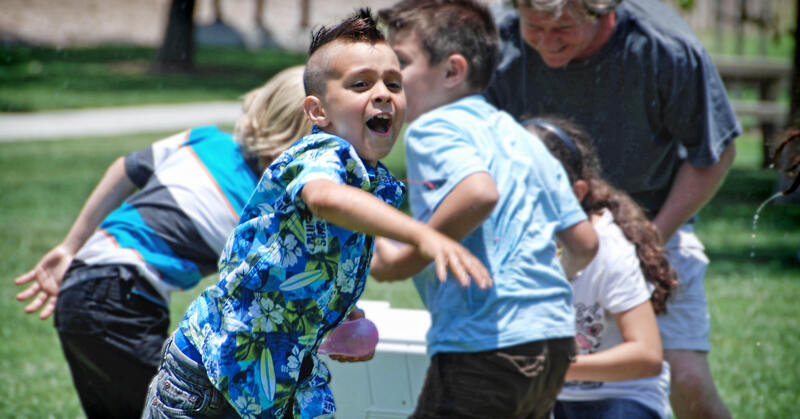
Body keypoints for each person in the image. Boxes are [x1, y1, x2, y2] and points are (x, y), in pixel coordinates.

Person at [141, 9, 492, 419]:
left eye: (393, 83)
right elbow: (325, 198)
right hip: (208, 379)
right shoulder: (320, 155)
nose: (382, 94)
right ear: (317, 111)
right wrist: (423, 235)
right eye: (361, 84)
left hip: (271, 380)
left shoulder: (368, 179)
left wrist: (335, 314)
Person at [485, 1, 740, 417]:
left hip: (656, 229)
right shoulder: (495, 44)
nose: (546, 41)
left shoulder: (664, 49)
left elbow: (714, 154)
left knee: (689, 381)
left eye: (562, 27)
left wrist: (649, 240)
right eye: (534, 26)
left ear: (600, 10)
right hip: (537, 238)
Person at [12, 65, 312, 419]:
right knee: (187, 402)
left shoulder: (203, 139)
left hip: (82, 289)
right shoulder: (261, 209)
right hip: (122, 298)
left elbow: (125, 169)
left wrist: (70, 247)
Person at [371, 2, 599, 418]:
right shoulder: (521, 137)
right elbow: (584, 243)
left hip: (484, 344)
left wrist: (404, 261)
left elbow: (478, 194)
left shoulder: (433, 127)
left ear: (452, 70)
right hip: (553, 341)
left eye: (399, 64)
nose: (385, 84)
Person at [527, 117, 677, 419]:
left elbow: (647, 354)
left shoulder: (608, 248)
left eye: (535, 186)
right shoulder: (506, 239)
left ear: (576, 193)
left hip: (622, 396)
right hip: (545, 398)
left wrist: (556, 368)